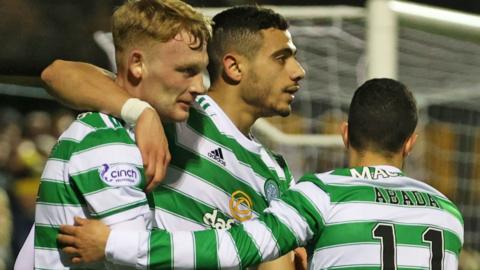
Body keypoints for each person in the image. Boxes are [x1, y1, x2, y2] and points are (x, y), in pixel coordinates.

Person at [59, 78, 464, 269]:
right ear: (411, 142)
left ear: (345, 134)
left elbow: (232, 248)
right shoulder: (449, 215)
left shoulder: (320, 194)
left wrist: (115, 242)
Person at [36, 5, 306, 269]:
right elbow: (59, 74)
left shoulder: (276, 173)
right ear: (234, 66)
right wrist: (140, 112)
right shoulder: (176, 115)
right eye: (281, 58)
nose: (299, 71)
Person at [15, 0, 211, 269]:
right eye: (187, 71)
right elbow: (138, 259)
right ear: (138, 64)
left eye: (202, 70)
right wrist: (243, 245)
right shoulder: (106, 141)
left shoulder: (141, 129)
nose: (201, 86)